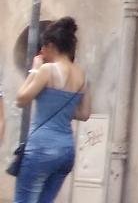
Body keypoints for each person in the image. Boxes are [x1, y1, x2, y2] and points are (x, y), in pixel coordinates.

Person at [15, 17, 89, 203]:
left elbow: (21, 99)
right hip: (66, 150)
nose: (41, 52)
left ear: (51, 45)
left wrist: (34, 71)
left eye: (43, 47)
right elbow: (84, 114)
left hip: (41, 147)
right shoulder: (81, 75)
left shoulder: (47, 70)